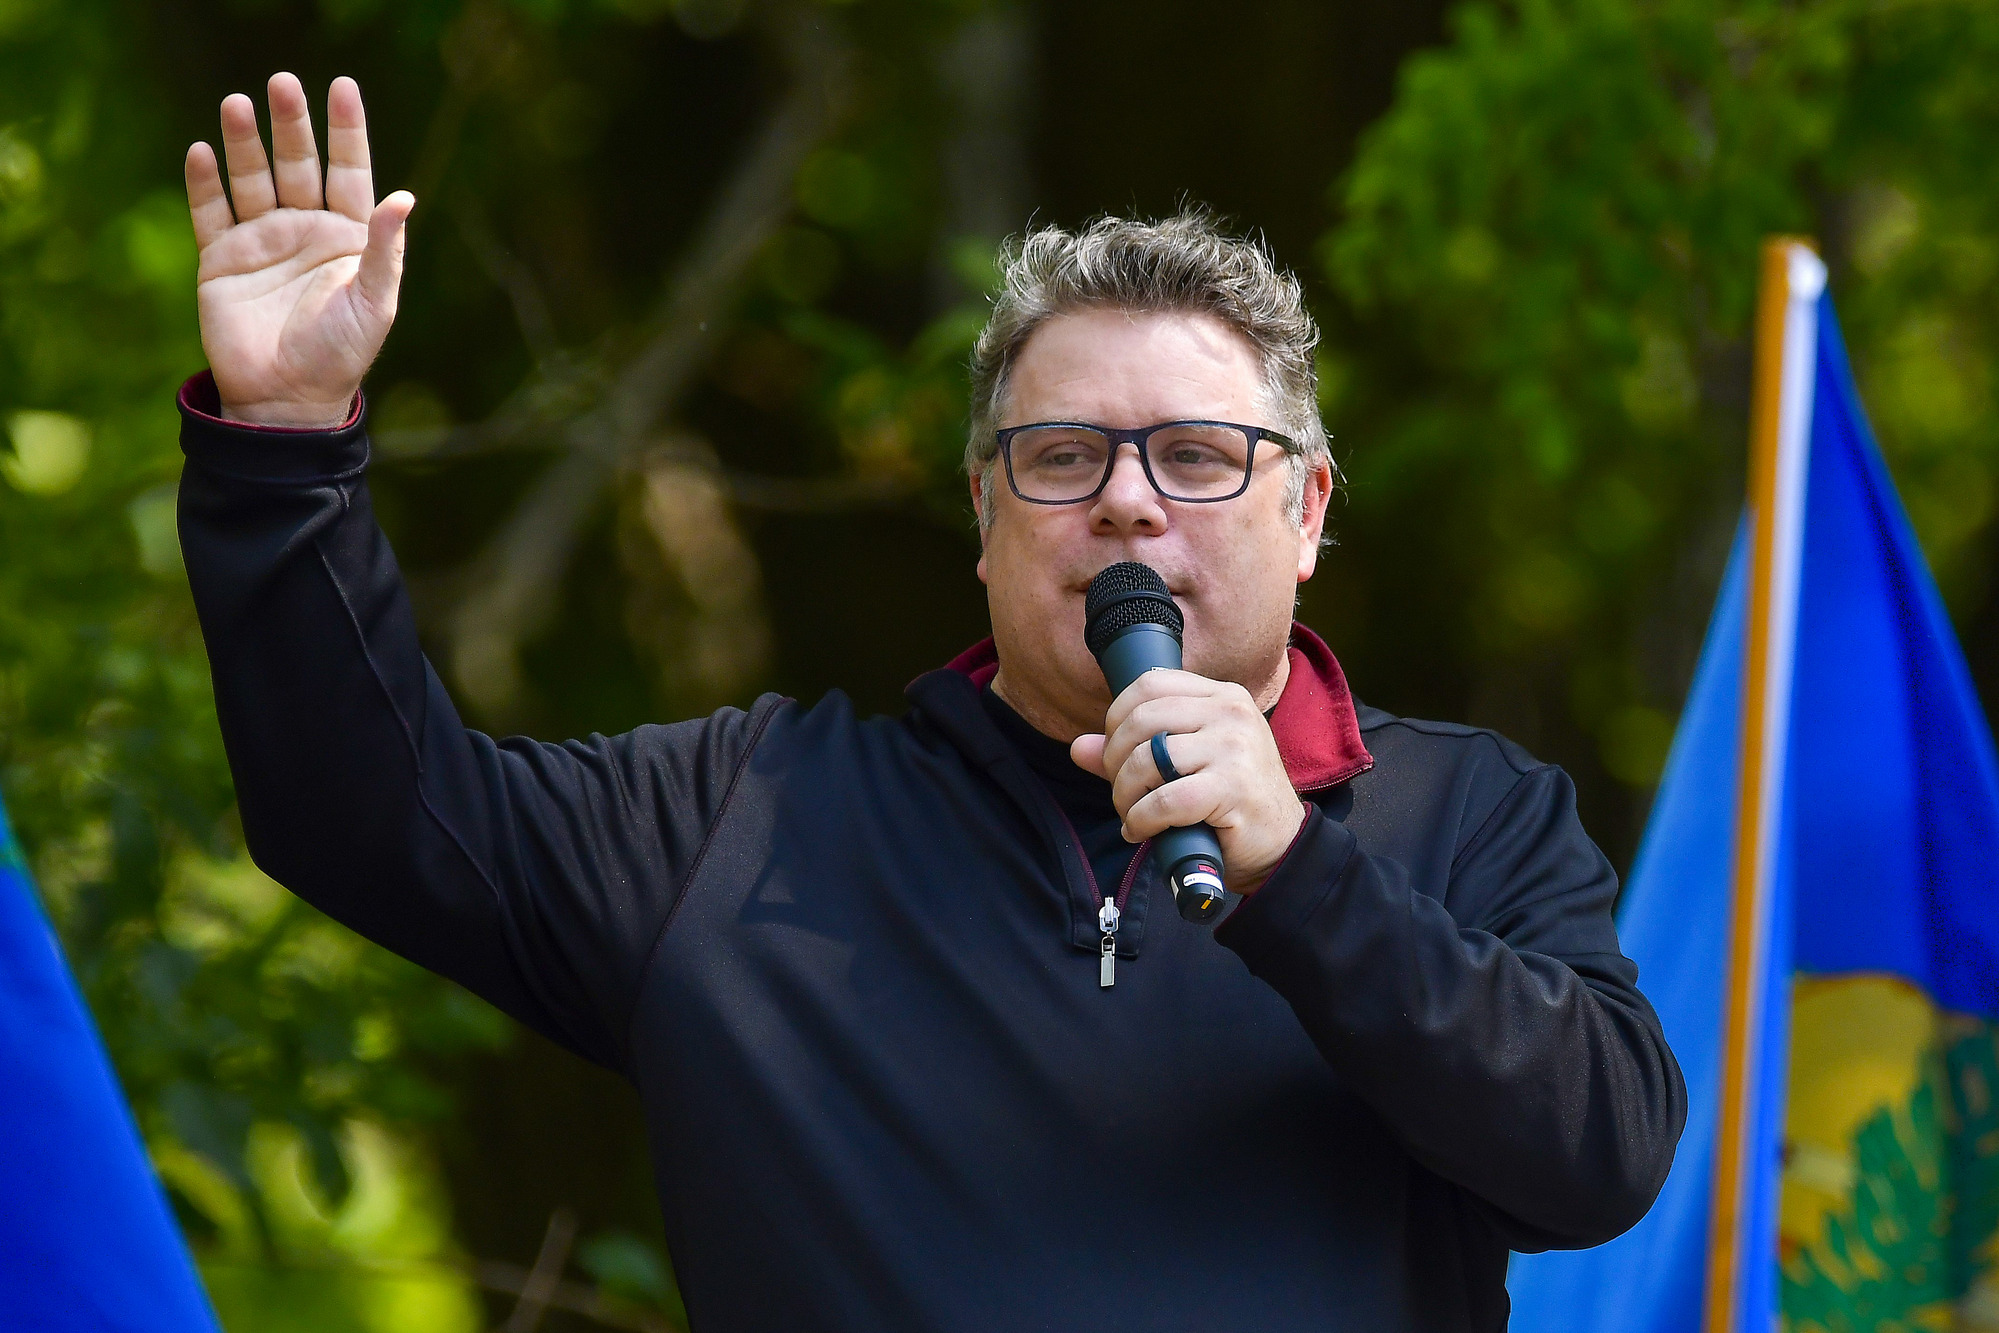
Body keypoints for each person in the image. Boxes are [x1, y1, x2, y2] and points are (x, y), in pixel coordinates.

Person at [176, 73, 1685, 1332]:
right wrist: (288, 445)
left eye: (1200, 456)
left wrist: (1302, 874)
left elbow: (1601, 1155)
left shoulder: (1465, 818)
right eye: (1064, 457)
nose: (1129, 505)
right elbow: (365, 812)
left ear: (1305, 511)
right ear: (983, 515)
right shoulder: (746, 821)